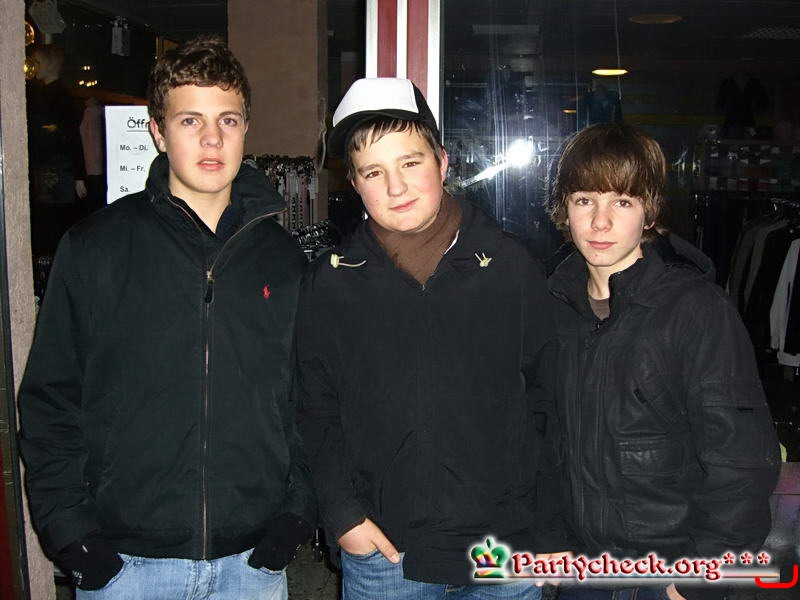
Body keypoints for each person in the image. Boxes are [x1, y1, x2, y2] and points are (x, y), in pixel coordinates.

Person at [19, 36, 314, 599]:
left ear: (246, 128)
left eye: (228, 120)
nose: (211, 138)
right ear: (158, 131)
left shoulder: (283, 261)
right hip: (125, 567)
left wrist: (298, 513)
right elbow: (50, 399)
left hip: (251, 566)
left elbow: (308, 399)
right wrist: (70, 533)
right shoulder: (96, 248)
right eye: (189, 120)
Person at [296, 77, 571, 599]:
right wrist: (343, 515)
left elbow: (550, 404)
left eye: (410, 162)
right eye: (373, 172)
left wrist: (551, 529)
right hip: (385, 555)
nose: (396, 187)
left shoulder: (508, 266)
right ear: (354, 183)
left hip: (504, 550)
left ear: (443, 162)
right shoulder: (331, 282)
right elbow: (314, 409)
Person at [547, 123, 780, 600]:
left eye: (622, 202)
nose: (600, 222)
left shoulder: (696, 311)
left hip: (667, 575)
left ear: (649, 210)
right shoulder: (548, 308)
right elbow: (537, 438)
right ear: (564, 208)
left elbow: (741, 461)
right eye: (585, 199)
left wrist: (695, 582)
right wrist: (547, 538)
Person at [26, 43, 87, 256]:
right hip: (49, 172)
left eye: (37, 62)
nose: (33, 67)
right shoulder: (44, 94)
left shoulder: (60, 98)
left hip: (58, 173)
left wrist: (78, 176)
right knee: (49, 223)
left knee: (54, 224)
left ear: (49, 64)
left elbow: (72, 138)